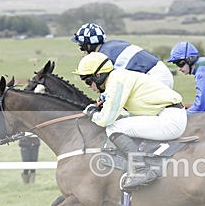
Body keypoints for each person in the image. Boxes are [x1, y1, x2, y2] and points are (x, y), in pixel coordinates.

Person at [75, 52, 186, 189]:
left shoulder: (117, 81)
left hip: (170, 119)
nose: (89, 86)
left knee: (114, 128)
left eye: (88, 81)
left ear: (98, 76)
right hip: (167, 115)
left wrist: (92, 113)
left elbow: (106, 120)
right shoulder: (117, 77)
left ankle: (140, 170)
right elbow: (120, 111)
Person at [72, 22, 174, 89]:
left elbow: (114, 87)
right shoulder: (113, 44)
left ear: (89, 45)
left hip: (155, 78)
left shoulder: (102, 57)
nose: (82, 51)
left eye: (82, 47)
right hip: (160, 73)